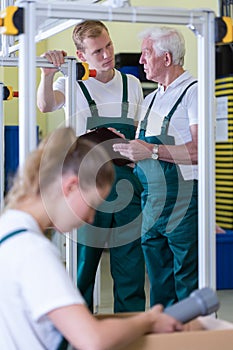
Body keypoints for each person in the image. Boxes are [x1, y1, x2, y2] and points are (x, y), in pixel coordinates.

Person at [0, 126, 183, 350]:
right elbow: (92, 340)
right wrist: (149, 319)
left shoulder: (8, 230)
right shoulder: (33, 251)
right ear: (71, 186)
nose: (90, 216)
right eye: (92, 204)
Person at [37, 20, 146, 313]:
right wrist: (48, 75)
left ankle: (130, 330)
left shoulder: (131, 84)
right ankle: (78, 334)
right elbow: (46, 105)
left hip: (127, 185)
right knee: (82, 266)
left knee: (131, 266)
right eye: (98, 51)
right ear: (81, 54)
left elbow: (139, 132)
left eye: (108, 45)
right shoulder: (72, 81)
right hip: (85, 187)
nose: (107, 54)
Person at [113, 26, 199, 308]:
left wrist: (150, 149)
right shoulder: (150, 100)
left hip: (183, 200)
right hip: (151, 199)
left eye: (146, 53)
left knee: (187, 280)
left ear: (166, 58)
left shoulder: (194, 93)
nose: (141, 60)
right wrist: (124, 147)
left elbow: (199, 151)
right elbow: (142, 151)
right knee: (159, 281)